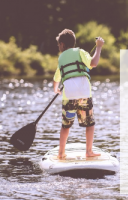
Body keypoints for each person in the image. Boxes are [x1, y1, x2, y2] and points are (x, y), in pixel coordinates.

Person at [53, 29, 104, 159]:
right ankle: (89, 151)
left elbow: (57, 78)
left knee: (66, 125)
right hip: (84, 93)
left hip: (69, 95)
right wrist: (98, 48)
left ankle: (61, 153)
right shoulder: (80, 52)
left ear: (63, 44)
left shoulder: (61, 58)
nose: (59, 47)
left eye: (59, 44)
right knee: (89, 124)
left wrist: (56, 89)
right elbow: (94, 63)